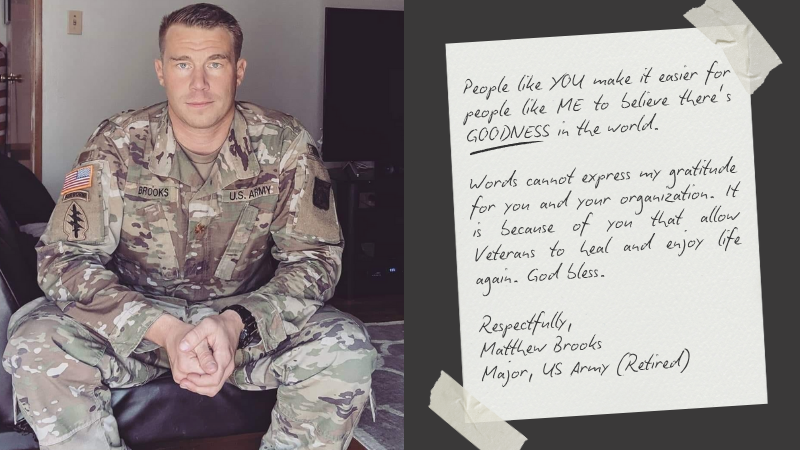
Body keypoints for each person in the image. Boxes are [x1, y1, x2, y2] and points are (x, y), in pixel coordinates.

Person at [2, 3, 376, 449]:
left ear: (238, 70)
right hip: (137, 327)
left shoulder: (285, 144)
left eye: (214, 63)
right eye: (183, 64)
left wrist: (236, 324)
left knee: (346, 347)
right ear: (162, 71)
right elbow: (64, 259)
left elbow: (315, 260)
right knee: (36, 341)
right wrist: (163, 329)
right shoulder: (116, 144)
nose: (198, 83)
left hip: (243, 326)